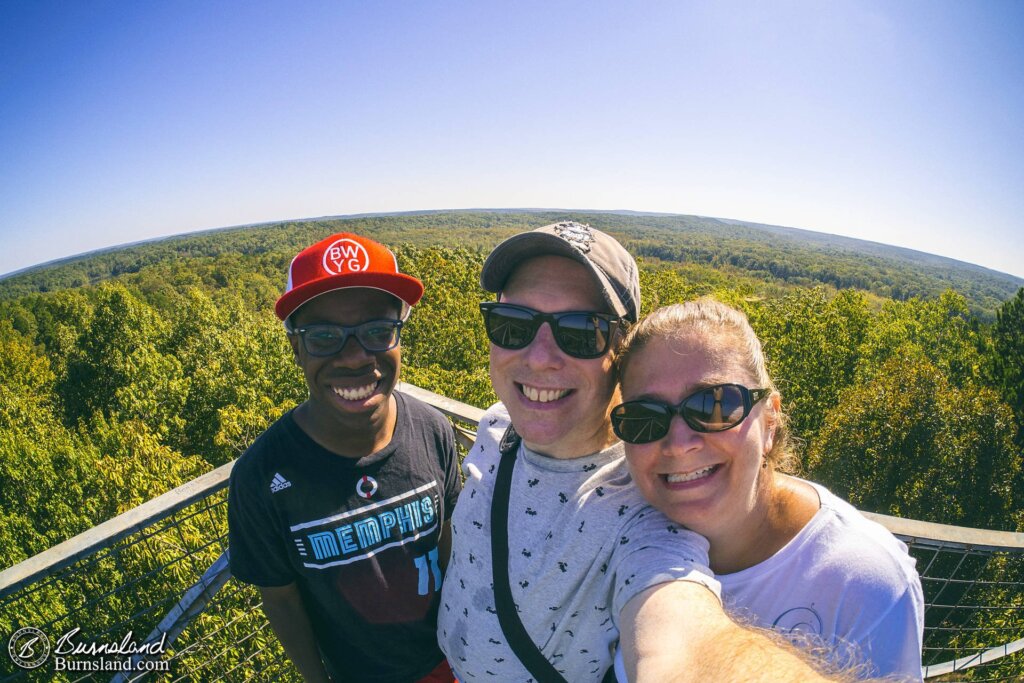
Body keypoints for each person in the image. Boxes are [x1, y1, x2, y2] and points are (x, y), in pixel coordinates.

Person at [438, 221, 855, 683]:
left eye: (580, 332)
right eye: (513, 325)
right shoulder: (496, 423)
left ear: (621, 352)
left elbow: (678, 633)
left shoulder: (644, 503)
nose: (539, 357)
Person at [610, 298, 925, 681]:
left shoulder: (864, 582)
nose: (679, 443)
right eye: (645, 417)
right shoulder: (616, 525)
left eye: (715, 405)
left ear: (770, 421)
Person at [228, 233, 462, 683]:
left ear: (399, 338)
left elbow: (448, 547)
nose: (355, 357)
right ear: (295, 347)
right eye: (324, 337)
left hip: (455, 661)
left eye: (377, 331)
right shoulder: (260, 476)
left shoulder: (433, 430)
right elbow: (281, 598)